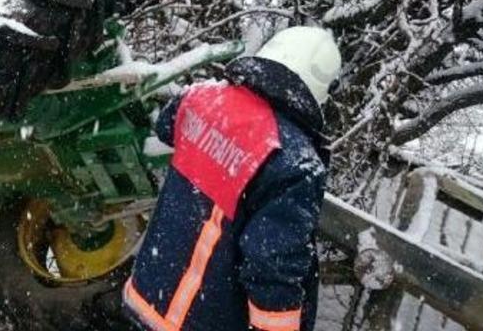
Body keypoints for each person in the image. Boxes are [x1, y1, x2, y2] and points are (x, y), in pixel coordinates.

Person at [123, 26, 342, 331]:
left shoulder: (201, 97)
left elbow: (166, 127)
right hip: (198, 319)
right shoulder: (296, 162)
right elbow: (272, 263)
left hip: (146, 292)